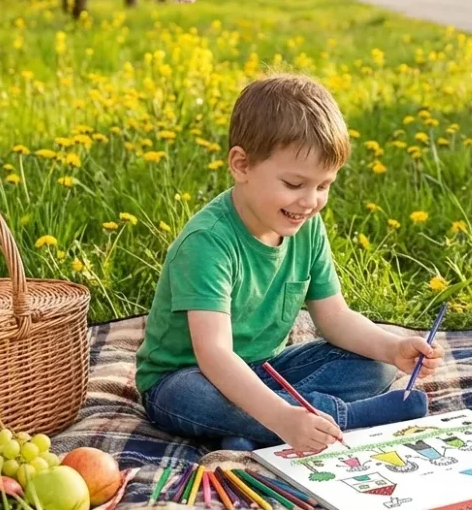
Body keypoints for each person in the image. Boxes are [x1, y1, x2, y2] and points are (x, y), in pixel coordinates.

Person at [136, 73, 442, 454]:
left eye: (324, 186)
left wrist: (393, 348)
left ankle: (258, 429)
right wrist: (281, 416)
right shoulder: (208, 243)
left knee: (375, 364)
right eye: (295, 185)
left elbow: (335, 319)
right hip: (187, 377)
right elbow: (214, 355)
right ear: (241, 165)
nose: (309, 201)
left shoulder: (306, 227)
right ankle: (333, 419)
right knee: (189, 395)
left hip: (267, 370)